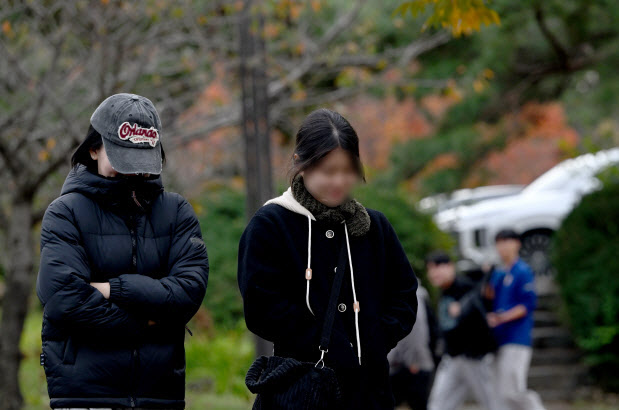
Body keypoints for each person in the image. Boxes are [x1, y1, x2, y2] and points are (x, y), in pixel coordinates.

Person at [36, 93, 209, 409]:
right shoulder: (65, 213)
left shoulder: (177, 212)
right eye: (122, 161)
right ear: (93, 148)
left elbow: (188, 291)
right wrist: (150, 323)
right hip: (84, 396)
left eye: (141, 163)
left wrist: (113, 289)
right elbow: (65, 300)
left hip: (161, 395)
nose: (133, 173)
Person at [237, 108, 418, 409]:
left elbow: (404, 295)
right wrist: (327, 344)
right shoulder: (271, 225)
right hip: (304, 389)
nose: (339, 181)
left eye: (347, 170)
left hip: (370, 393)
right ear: (300, 163)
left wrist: (375, 339)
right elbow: (261, 307)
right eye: (327, 171)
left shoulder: (375, 227)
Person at [426, 251, 502, 410]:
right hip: (452, 358)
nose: (434, 272)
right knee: (438, 404)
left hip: (474, 358)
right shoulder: (442, 292)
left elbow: (483, 306)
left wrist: (464, 309)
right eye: (431, 269)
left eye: (438, 267)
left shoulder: (466, 287)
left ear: (451, 267)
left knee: (492, 402)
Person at [486, 229, 546, 410]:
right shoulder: (499, 273)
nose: (502, 246)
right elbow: (489, 297)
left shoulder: (523, 270)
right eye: (499, 242)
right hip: (499, 339)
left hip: (517, 338)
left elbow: (526, 305)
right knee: (499, 393)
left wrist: (502, 317)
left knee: (512, 391)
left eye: (507, 241)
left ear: (517, 243)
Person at [388, 280, 435, 410]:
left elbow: (416, 330)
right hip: (405, 362)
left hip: (411, 363)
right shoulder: (414, 291)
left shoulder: (409, 292)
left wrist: (414, 361)